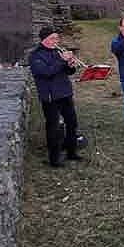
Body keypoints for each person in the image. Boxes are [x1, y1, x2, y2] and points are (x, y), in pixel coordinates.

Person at [28, 26, 81, 167]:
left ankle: (72, 152)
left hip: (65, 92)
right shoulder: (35, 55)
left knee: (72, 123)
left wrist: (70, 64)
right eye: (53, 38)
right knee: (54, 127)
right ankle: (54, 159)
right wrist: (62, 61)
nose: (56, 41)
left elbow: (68, 72)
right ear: (45, 39)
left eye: (57, 38)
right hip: (50, 96)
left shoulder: (57, 52)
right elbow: (46, 72)